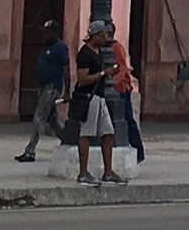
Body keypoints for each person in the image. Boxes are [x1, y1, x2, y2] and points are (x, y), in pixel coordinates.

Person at [72, 21, 125, 186]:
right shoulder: (84, 54)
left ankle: (108, 173)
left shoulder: (98, 51)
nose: (105, 38)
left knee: (108, 133)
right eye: (102, 35)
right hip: (89, 97)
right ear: (94, 35)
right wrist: (104, 73)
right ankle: (82, 173)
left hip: (100, 97)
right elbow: (82, 79)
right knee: (86, 134)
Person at [15, 20, 69, 163]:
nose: (43, 35)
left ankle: (30, 151)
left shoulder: (59, 47)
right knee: (52, 120)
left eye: (46, 32)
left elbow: (66, 69)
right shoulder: (46, 47)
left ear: (53, 33)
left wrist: (67, 90)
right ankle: (69, 141)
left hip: (52, 87)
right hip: (43, 86)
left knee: (38, 117)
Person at [107, 23, 144, 165]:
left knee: (127, 119)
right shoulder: (101, 47)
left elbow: (123, 69)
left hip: (121, 89)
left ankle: (138, 150)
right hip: (110, 89)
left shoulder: (117, 47)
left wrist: (113, 84)